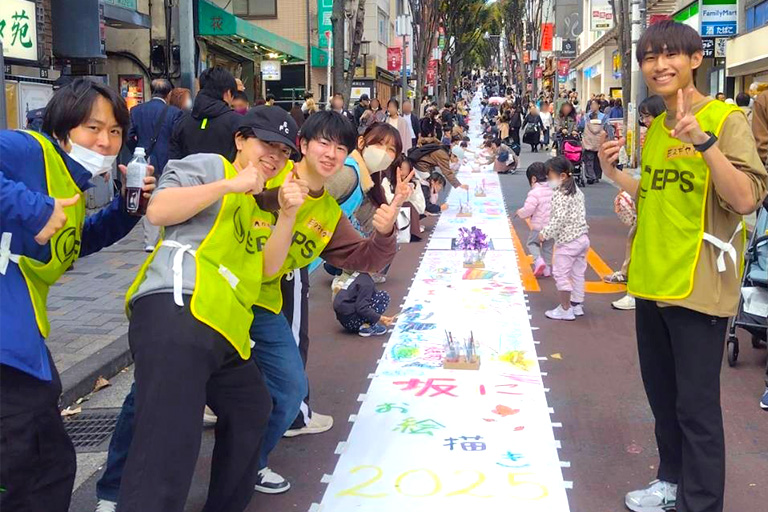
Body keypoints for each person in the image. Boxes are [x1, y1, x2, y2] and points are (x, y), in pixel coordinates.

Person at [598, 20, 768, 512]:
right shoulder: (657, 130)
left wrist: (706, 143)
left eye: (671, 54)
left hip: (698, 284)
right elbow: (653, 194)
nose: (659, 65)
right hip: (651, 282)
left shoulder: (724, 118)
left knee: (696, 409)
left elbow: (746, 199)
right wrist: (613, 174)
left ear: (696, 59)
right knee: (664, 400)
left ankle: (701, 503)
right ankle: (670, 482)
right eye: (650, 57)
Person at [115, 106, 305, 512]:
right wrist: (232, 185)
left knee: (252, 407)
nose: (274, 157)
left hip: (225, 329)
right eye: (266, 144)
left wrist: (287, 214)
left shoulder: (260, 206)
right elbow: (159, 210)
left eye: (284, 152)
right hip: (178, 307)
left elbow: (268, 268)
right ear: (240, 139)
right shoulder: (208, 165)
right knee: (169, 441)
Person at [0, 78, 156, 512]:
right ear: (62, 127)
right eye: (92, 128)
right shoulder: (29, 151)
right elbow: (39, 220)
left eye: (115, 132)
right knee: (22, 475)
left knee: (51, 465)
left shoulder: (73, 181)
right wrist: (31, 207)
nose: (105, 142)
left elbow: (70, 245)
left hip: (24, 344)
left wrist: (127, 212)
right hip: (6, 350)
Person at [248, 111, 405, 492]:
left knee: (289, 388)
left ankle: (252, 464)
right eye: (323, 142)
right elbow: (248, 196)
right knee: (166, 393)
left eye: (340, 146)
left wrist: (386, 233)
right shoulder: (270, 174)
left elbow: (364, 257)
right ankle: (115, 491)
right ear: (301, 144)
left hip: (266, 301)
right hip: (218, 295)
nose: (332, 153)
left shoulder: (329, 213)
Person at [605, 94, 667, 311]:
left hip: (659, 205)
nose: (644, 122)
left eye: (647, 116)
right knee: (636, 238)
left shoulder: (668, 137)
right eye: (642, 117)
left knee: (642, 243)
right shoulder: (653, 136)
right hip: (649, 200)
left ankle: (636, 291)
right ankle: (630, 282)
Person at [126, 78, 183, 252]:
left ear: (151, 91)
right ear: (169, 94)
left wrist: (137, 152)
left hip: (144, 161)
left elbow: (128, 136)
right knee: (168, 197)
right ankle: (168, 235)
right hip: (168, 161)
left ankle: (150, 241)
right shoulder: (174, 113)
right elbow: (177, 138)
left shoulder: (136, 111)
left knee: (148, 198)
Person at [539, 156, 589, 321]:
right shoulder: (576, 190)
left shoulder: (561, 194)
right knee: (577, 274)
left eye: (550, 177)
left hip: (568, 242)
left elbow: (558, 219)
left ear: (562, 176)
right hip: (582, 238)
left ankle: (565, 308)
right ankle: (577, 305)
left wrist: (545, 233)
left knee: (561, 274)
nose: (548, 180)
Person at [169, 66, 241, 161]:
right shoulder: (237, 122)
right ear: (228, 93)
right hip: (227, 175)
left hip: (187, 175)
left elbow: (174, 161)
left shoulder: (182, 122)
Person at [516, 162, 554, 277]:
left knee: (532, 243)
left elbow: (528, 209)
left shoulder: (534, 193)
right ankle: (547, 268)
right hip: (552, 226)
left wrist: (520, 213)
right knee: (548, 247)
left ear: (533, 179)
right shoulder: (553, 189)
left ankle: (538, 260)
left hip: (539, 226)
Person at [333, 272, 394, 336]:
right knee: (383, 296)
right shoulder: (367, 283)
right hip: (353, 322)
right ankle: (366, 326)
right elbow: (362, 308)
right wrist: (381, 318)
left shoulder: (356, 275)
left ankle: (361, 324)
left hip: (344, 320)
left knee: (373, 295)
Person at [382, 157, 424, 241]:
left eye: (406, 169)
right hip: (391, 217)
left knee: (409, 204)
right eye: (400, 169)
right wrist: (400, 197)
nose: (403, 172)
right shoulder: (387, 181)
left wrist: (412, 195)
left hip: (410, 220)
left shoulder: (415, 183)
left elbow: (421, 208)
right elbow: (386, 200)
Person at [579, 99, 608, 184]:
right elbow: (607, 127)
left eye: (594, 105)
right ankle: (596, 176)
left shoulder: (586, 117)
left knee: (590, 159)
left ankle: (590, 176)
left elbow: (580, 126)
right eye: (592, 105)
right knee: (596, 159)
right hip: (599, 141)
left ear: (599, 105)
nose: (593, 107)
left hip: (589, 141)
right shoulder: (604, 117)